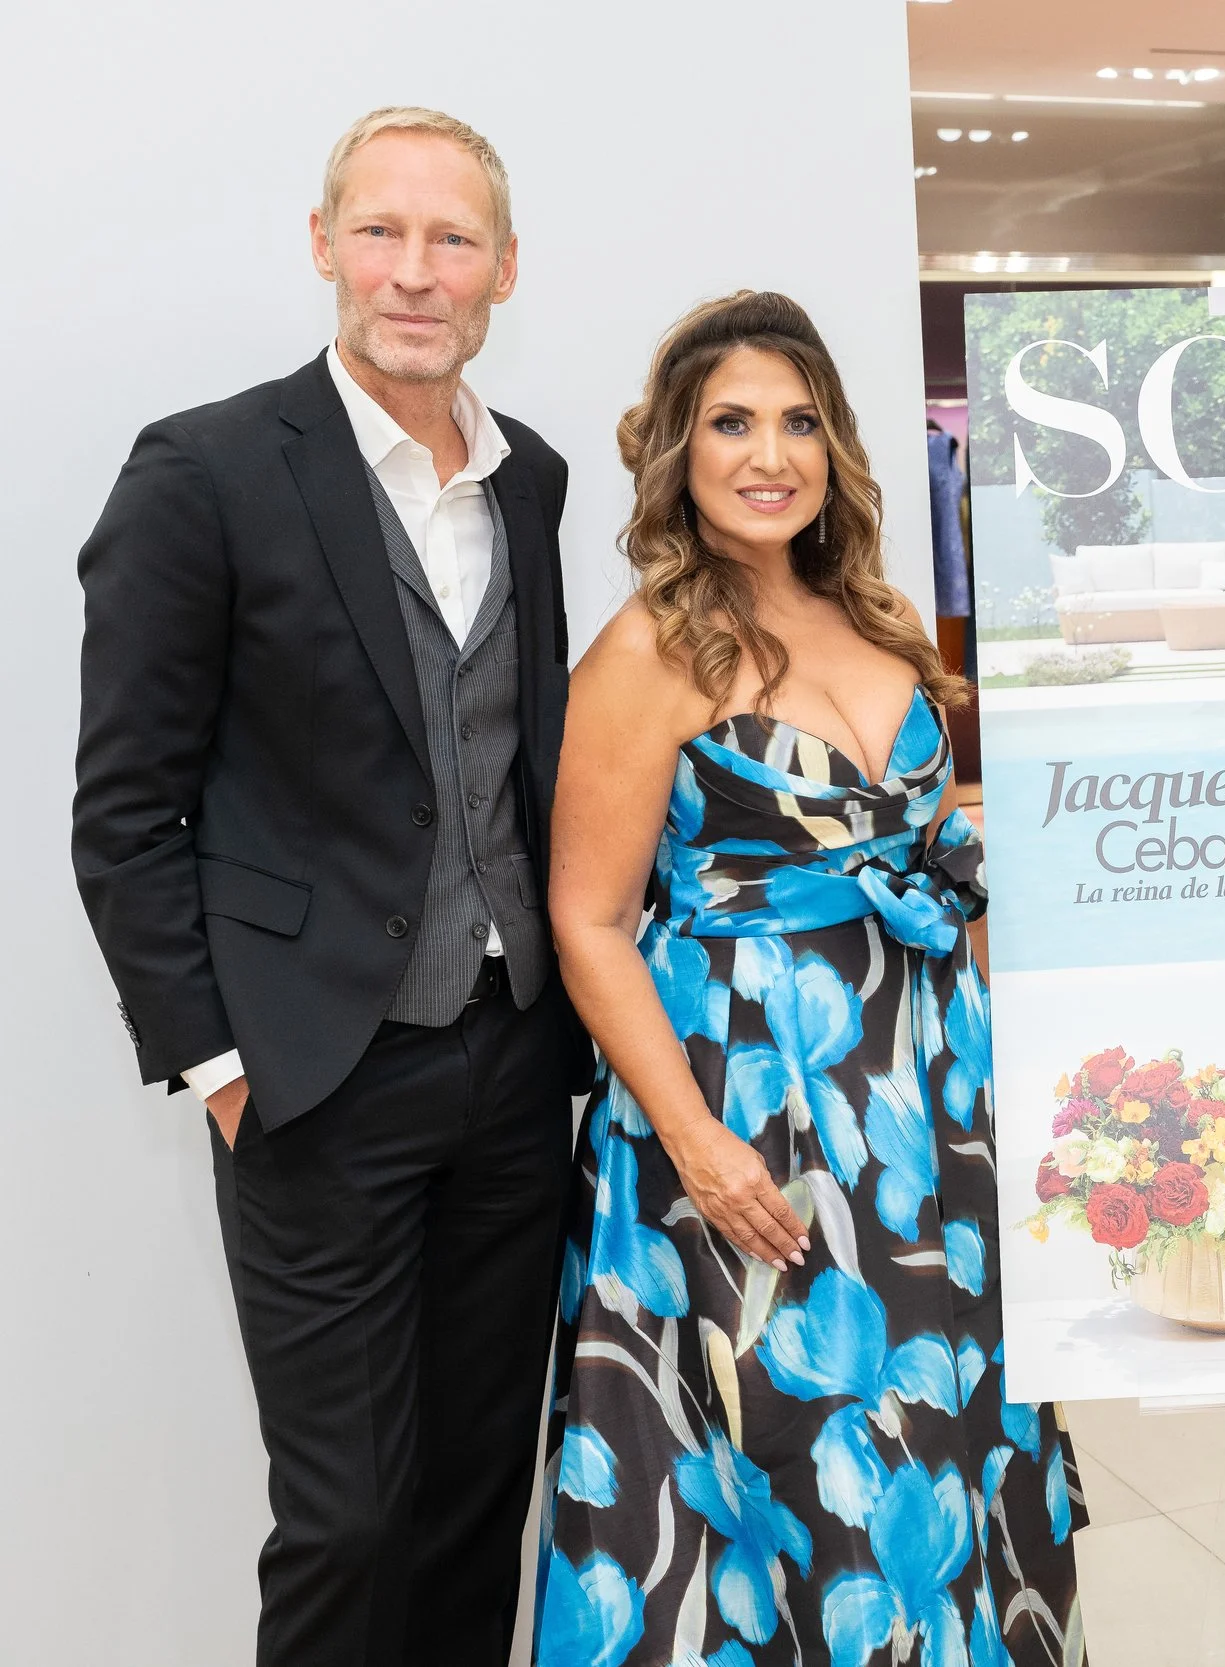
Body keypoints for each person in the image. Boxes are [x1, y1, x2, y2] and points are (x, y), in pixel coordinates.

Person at [70, 108, 581, 1665]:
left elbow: (515, 758)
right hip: (314, 1080)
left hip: (512, 1066)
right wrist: (220, 1062)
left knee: (477, 1493)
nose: (412, 273)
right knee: (349, 1514)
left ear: (504, 268)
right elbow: (123, 807)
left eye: (451, 240)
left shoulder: (533, 480)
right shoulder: (206, 469)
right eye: (381, 231)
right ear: (322, 244)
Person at [537, 291, 1085, 1666]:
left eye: (796, 421)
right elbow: (587, 916)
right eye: (730, 422)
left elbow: (940, 861)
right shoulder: (646, 653)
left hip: (929, 1105)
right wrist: (696, 1141)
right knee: (809, 1466)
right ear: (677, 450)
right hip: (751, 1101)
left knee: (956, 1435)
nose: (766, 452)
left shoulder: (884, 625)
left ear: (835, 446)